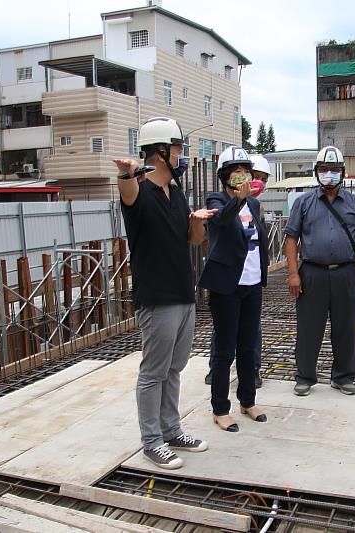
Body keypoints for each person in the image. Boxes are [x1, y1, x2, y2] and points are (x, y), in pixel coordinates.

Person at [114, 117, 217, 470]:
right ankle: (152, 441)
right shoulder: (139, 191)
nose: (181, 157)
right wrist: (126, 174)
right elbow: (127, 194)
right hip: (157, 297)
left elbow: (193, 240)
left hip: (183, 292)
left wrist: (198, 221)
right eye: (177, 150)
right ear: (160, 153)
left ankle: (172, 430)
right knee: (154, 371)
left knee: (174, 368)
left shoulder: (177, 193)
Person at [284, 146, 355, 396]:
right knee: (309, 327)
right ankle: (305, 376)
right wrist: (293, 273)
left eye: (334, 170)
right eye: (324, 170)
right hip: (312, 272)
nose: (329, 174)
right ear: (316, 172)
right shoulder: (303, 203)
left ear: (343, 173)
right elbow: (291, 238)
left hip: (346, 273)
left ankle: (343, 377)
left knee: (345, 328)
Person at [199, 147, 269, 432]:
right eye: (236, 171)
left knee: (248, 346)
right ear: (225, 176)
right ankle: (220, 408)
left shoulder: (253, 205)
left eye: (246, 171)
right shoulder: (216, 200)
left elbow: (258, 237)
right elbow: (219, 221)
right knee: (225, 349)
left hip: (251, 283)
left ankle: (247, 401)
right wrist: (238, 199)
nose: (242, 176)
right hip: (227, 285)